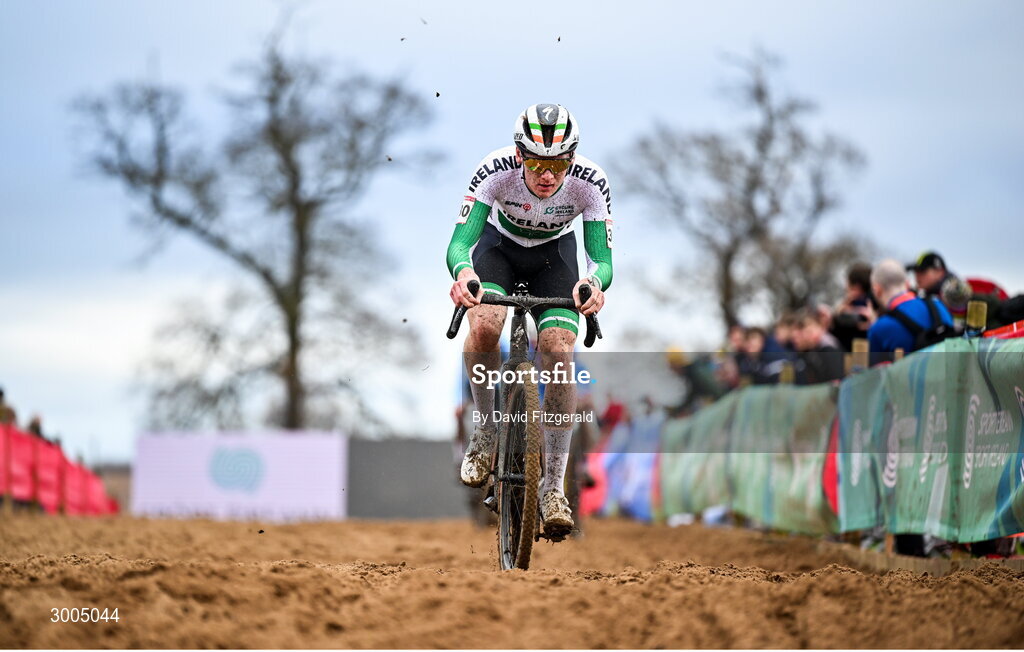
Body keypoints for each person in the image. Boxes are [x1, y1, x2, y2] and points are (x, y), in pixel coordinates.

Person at [446, 103, 613, 539]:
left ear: (571, 159)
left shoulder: (590, 183)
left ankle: (554, 487)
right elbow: (460, 244)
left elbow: (602, 260)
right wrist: (464, 274)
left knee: (558, 350)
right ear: (520, 154)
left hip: (553, 258)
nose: (547, 175)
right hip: (496, 249)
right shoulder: (493, 170)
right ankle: (485, 431)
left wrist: (594, 284)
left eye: (558, 164)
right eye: (537, 162)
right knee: (484, 326)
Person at [869, 258, 954, 362]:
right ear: (907, 284)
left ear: (877, 290)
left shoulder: (879, 327)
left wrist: (873, 323)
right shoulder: (939, 306)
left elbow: (872, 374)